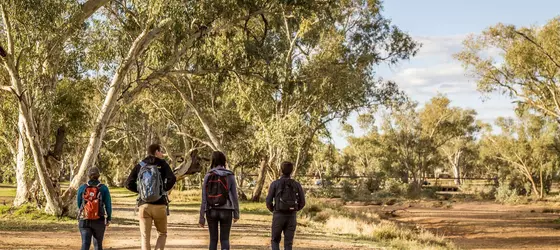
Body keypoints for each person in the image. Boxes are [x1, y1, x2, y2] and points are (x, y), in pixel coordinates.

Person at [126, 144, 176, 250]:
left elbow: (128, 183)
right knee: (162, 233)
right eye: (161, 151)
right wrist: (163, 189)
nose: (162, 154)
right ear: (156, 152)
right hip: (160, 204)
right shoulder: (163, 164)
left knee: (145, 237)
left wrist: (140, 191)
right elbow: (172, 178)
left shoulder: (141, 165)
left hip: (144, 206)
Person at [198, 151, 240, 250]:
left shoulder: (208, 176)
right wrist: (236, 213)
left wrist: (201, 217)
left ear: (213, 161)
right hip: (226, 210)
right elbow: (234, 196)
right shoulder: (230, 175)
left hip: (211, 210)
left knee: (213, 239)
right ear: (224, 161)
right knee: (225, 239)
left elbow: (204, 198)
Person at [266, 161, 306, 250]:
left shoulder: (275, 184)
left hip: (278, 215)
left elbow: (268, 201)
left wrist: (275, 210)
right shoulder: (296, 184)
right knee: (288, 243)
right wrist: (294, 209)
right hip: (291, 216)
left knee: (275, 240)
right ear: (291, 171)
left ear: (281, 170)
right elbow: (302, 202)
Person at [77, 167, 112, 250]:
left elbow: (79, 204)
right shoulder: (104, 188)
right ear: (99, 176)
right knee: (98, 245)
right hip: (99, 219)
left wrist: (86, 211)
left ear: (88, 176)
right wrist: (109, 218)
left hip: (84, 219)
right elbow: (108, 205)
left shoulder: (82, 188)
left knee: (85, 244)